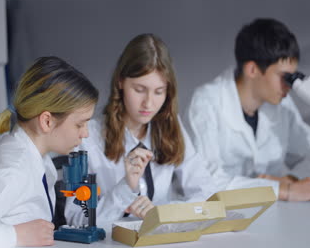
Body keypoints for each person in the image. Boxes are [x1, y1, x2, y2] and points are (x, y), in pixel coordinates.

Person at [65, 33, 217, 228]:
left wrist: (161, 212)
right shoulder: (88, 137)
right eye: (139, 89)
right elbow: (76, 218)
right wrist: (124, 190)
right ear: (120, 82)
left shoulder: (172, 126)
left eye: (159, 92)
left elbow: (207, 193)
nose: (149, 103)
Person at [0, 56, 98, 247]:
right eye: (80, 124)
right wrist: (15, 235)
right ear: (47, 121)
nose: (86, 134)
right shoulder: (12, 170)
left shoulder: (37, 161)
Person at [188, 18, 310, 202]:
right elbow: (206, 182)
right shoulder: (207, 103)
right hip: (216, 220)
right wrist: (281, 190)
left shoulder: (282, 105)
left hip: (270, 215)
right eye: (284, 77)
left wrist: (291, 181)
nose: (289, 86)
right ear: (252, 69)